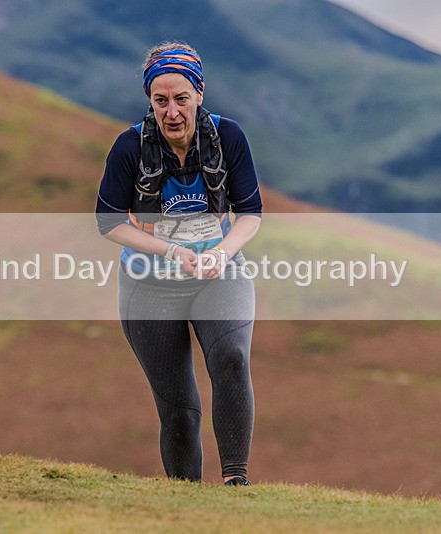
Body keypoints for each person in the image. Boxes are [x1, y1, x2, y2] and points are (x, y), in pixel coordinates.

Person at [95, 41, 262, 486]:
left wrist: (222, 254)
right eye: (160, 100)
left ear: (200, 93)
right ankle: (187, 503)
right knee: (179, 409)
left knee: (230, 358)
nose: (171, 111)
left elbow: (250, 215)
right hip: (148, 284)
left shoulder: (229, 138)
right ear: (150, 100)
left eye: (181, 99)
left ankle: (236, 485)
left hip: (217, 274)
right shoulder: (130, 147)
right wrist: (170, 251)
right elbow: (107, 222)